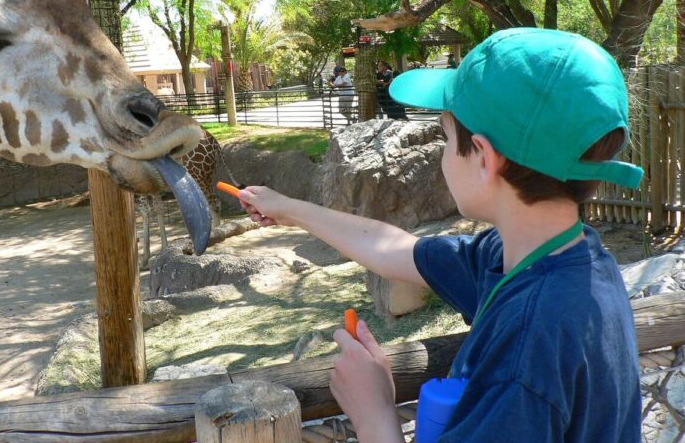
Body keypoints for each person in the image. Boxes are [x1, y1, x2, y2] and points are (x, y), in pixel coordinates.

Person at [237, 28, 643, 443]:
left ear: (483, 158)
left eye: (446, 139)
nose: (444, 155)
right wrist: (288, 208)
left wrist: (373, 411)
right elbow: (394, 249)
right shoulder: (535, 259)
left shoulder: (527, 347)